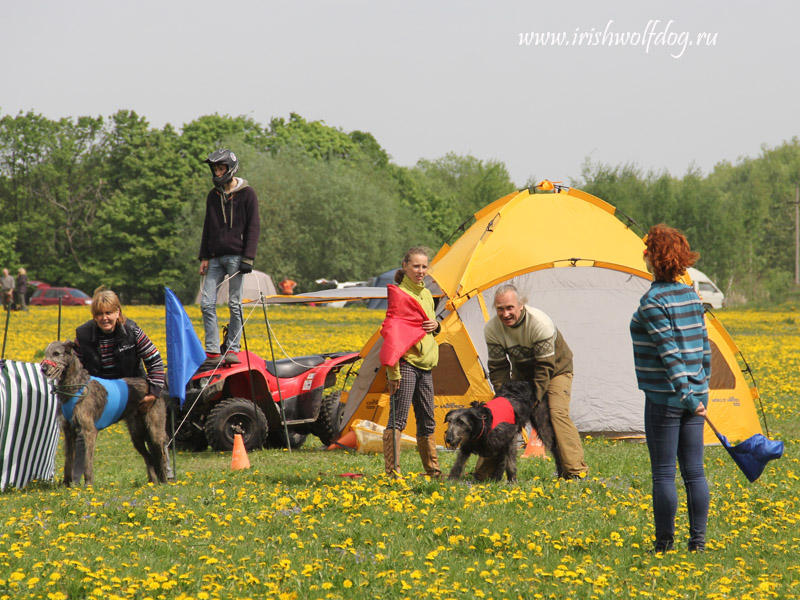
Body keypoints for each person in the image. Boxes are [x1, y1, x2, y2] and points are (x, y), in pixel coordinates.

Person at [630, 224, 711, 553]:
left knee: (664, 472)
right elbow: (705, 348)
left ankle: (664, 545)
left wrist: (686, 396)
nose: (644, 255)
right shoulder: (691, 295)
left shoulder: (652, 302)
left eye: (647, 249)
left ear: (654, 258)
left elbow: (670, 355)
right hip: (695, 395)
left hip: (667, 398)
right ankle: (698, 544)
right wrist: (699, 391)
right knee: (694, 470)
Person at [482, 284, 588, 480]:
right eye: (500, 309)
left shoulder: (540, 323)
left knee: (556, 414)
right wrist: (503, 400)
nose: (505, 314)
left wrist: (534, 399)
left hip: (556, 370)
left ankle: (575, 472)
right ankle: (484, 474)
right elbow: (498, 368)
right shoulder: (492, 329)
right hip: (522, 373)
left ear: (521, 305)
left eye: (509, 307)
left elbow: (544, 368)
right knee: (501, 414)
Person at [72, 287, 170, 480]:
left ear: (118, 312)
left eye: (109, 313)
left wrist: (154, 394)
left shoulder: (133, 331)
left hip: (133, 391)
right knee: (83, 432)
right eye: (99, 314)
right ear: (94, 316)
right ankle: (75, 480)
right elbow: (75, 368)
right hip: (99, 393)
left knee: (152, 437)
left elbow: (155, 361)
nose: (104, 318)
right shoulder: (82, 336)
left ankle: (164, 472)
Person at [380, 247, 441, 478]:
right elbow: (393, 334)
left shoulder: (426, 294)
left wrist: (438, 326)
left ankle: (433, 471)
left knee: (427, 421)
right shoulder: (400, 294)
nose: (421, 271)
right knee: (399, 418)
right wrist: (393, 372)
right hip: (406, 365)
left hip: (426, 366)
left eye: (424, 267)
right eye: (416, 266)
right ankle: (393, 473)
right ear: (404, 266)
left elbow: (428, 326)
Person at [198, 149, 260, 366]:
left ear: (230, 169)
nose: (217, 172)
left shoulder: (247, 193)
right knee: (206, 303)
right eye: (214, 168)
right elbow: (207, 227)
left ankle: (233, 348)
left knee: (235, 304)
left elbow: (254, 228)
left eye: (220, 168)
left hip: (236, 257)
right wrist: (204, 256)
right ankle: (213, 350)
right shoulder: (212, 196)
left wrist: (248, 258)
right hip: (214, 257)